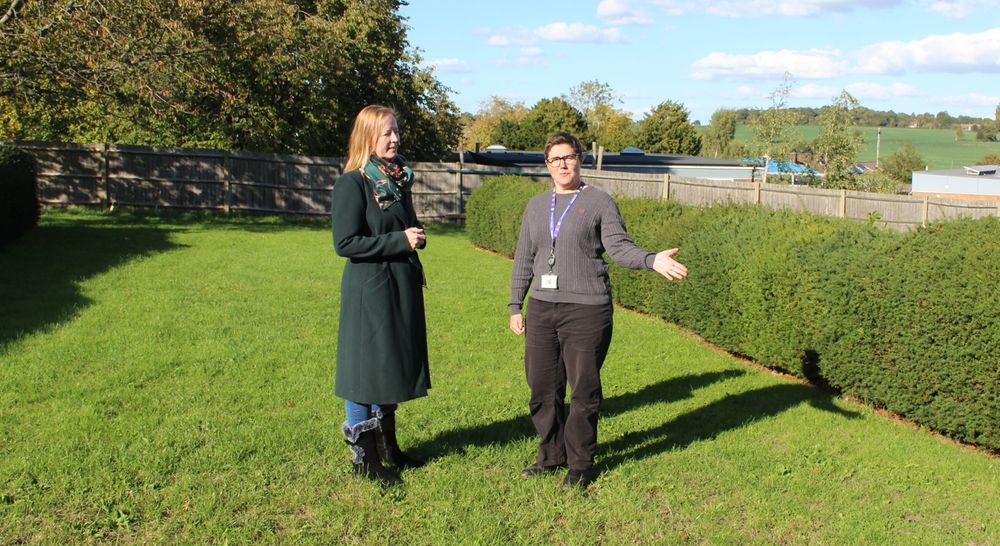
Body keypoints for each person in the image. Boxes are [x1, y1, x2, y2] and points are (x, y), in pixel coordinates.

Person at [508, 132, 688, 490]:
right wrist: (516, 304)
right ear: (547, 165)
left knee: (583, 390)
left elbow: (620, 248)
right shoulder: (535, 206)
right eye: (555, 159)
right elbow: (524, 259)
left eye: (569, 156)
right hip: (543, 308)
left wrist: (650, 260)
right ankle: (550, 456)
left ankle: (580, 463)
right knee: (542, 388)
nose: (562, 164)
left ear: (580, 159)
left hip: (587, 310)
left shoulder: (600, 201)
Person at [331, 105, 430, 486]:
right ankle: (365, 458)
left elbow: (402, 224)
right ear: (368, 137)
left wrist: (414, 233)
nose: (395, 138)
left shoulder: (397, 178)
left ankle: (389, 448)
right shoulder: (353, 183)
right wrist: (399, 239)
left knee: (390, 365)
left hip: (400, 285)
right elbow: (345, 243)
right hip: (370, 290)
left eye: (396, 131)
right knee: (365, 371)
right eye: (387, 133)